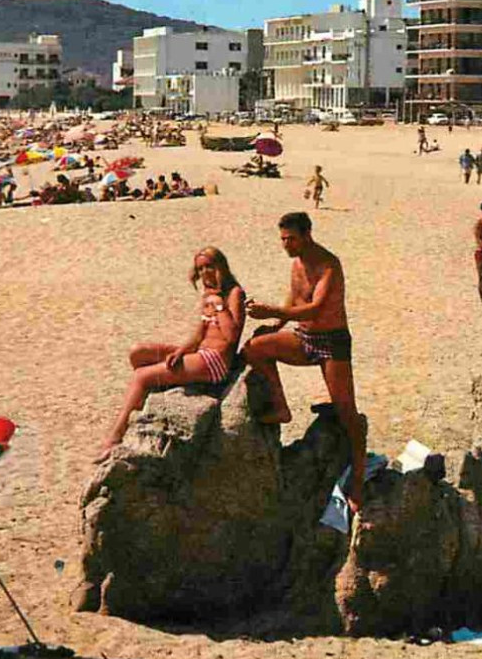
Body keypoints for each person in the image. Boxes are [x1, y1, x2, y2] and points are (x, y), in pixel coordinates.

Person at [244, 212, 367, 511]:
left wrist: (270, 311)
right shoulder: (296, 263)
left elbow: (314, 308)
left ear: (307, 234)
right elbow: (295, 299)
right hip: (303, 337)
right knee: (255, 348)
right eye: (283, 239)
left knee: (348, 414)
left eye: (291, 239)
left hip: (332, 342)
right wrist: (275, 324)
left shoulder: (328, 264)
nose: (286, 245)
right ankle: (281, 407)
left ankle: (359, 482)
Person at [96, 247, 247, 460]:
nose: (205, 273)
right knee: (138, 354)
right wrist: (180, 351)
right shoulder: (209, 294)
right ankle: (144, 400)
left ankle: (114, 436)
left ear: (221, 266)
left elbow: (232, 336)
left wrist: (218, 305)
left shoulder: (234, 294)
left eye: (209, 267)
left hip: (215, 361)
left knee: (141, 377)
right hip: (200, 353)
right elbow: (198, 335)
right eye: (200, 269)